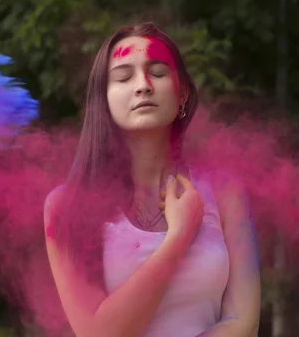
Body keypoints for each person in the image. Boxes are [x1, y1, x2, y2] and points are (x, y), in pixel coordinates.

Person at [44, 22, 261, 337]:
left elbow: (244, 325)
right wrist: (180, 235)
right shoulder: (66, 206)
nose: (143, 85)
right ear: (102, 100)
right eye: (123, 77)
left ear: (182, 92)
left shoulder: (226, 193)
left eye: (157, 73)